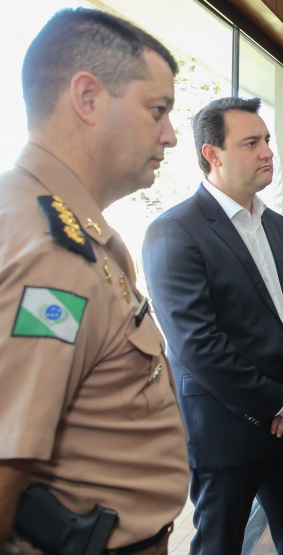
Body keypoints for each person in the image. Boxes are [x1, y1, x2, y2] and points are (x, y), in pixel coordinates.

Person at [0, 8, 188, 553]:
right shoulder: (53, 257)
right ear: (87, 98)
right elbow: (9, 459)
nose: (170, 135)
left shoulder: (57, 223)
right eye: (158, 110)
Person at [141, 97, 283, 554]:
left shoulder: (275, 225)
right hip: (225, 428)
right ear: (213, 154)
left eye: (266, 140)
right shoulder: (174, 231)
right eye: (251, 142)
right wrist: (277, 401)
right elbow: (195, 343)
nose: (267, 151)